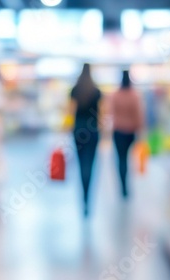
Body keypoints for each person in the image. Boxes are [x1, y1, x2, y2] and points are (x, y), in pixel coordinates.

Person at [69, 63, 103, 217]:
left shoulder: (74, 90)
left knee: (81, 162)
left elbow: (70, 112)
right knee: (90, 163)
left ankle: (83, 198)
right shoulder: (97, 92)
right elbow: (102, 114)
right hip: (93, 131)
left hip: (78, 131)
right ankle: (88, 199)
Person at [110, 70, 144, 199]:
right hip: (130, 132)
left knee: (121, 159)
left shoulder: (115, 96)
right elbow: (139, 115)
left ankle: (122, 185)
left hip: (118, 131)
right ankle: (127, 184)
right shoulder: (134, 96)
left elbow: (111, 113)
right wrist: (140, 130)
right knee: (128, 158)